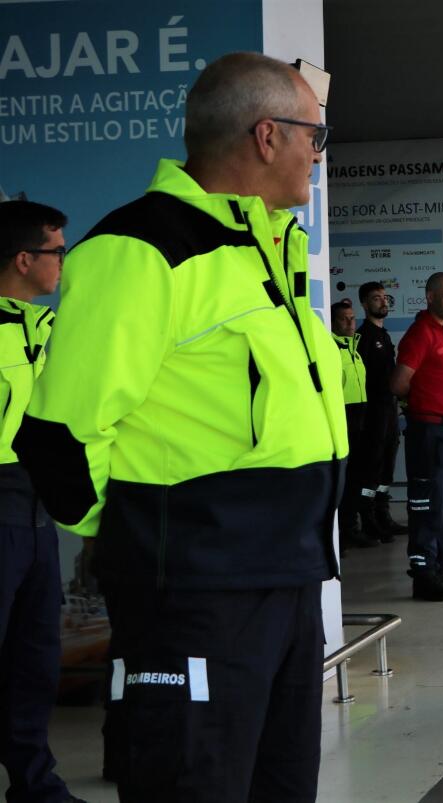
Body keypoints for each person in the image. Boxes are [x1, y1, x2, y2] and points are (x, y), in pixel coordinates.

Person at [14, 53, 347, 800]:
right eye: (314, 137)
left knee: (280, 784)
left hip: (286, 581)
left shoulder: (267, 246)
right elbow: (61, 435)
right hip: (196, 595)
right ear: (267, 136)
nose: (317, 156)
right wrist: (157, 531)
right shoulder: (140, 248)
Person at [0, 201, 81, 803]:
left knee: (34, 658)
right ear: (24, 259)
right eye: (56, 250)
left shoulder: (52, 328)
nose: (64, 262)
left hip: (36, 507)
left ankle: (34, 785)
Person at [391, 272, 443, 601]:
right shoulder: (421, 333)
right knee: (428, 504)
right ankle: (423, 573)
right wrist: (422, 403)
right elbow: (398, 383)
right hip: (429, 431)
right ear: (429, 297)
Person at [357, 281, 407, 542]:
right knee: (371, 467)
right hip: (373, 413)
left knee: (388, 465)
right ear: (365, 304)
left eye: (384, 297)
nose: (382, 302)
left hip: (390, 411)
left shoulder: (385, 337)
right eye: (376, 299)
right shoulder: (363, 337)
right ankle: (367, 520)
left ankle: (383, 514)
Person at [332, 299, 375, 552]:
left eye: (352, 318)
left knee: (356, 478)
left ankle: (351, 528)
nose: (350, 323)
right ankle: (338, 534)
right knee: (341, 480)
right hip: (343, 419)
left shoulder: (355, 350)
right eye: (343, 319)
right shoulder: (332, 350)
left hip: (361, 418)